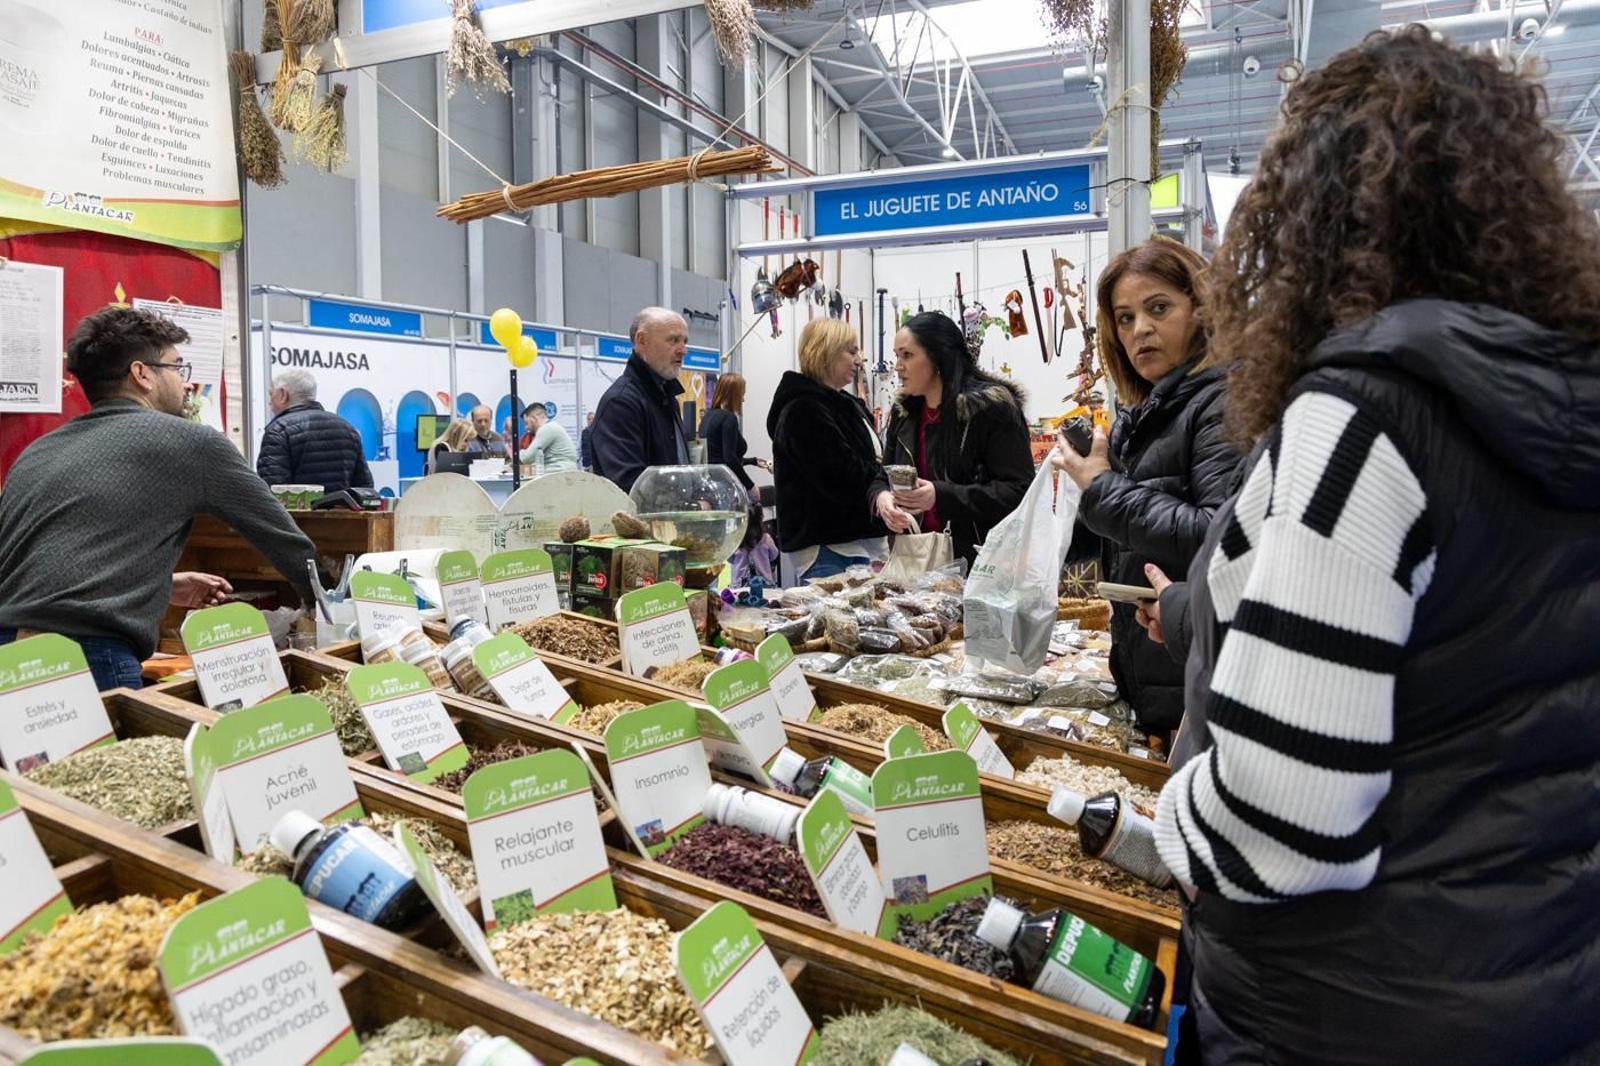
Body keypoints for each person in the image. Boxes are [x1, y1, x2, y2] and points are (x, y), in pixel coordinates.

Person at [1152, 29, 1600, 1065]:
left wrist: (1165, 813)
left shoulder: (1368, 415)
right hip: (1532, 983)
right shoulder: (1550, 408)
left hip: (1341, 1008)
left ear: (1307, 216)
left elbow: (1286, 823)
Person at [0, 307, 318, 690]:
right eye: (176, 368)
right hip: (89, 660)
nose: (185, 384)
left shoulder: (36, 452)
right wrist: (326, 605)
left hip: (9, 660)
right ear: (142, 374)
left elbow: (43, 565)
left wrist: (162, 584)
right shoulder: (192, 443)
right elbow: (285, 542)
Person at [1051, 237, 1238, 737]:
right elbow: (1138, 530)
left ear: (1203, 309)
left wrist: (1103, 490)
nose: (1141, 330)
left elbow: (1217, 534)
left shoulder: (1223, 402)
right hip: (1160, 673)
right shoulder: (1149, 411)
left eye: (1159, 308)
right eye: (1126, 317)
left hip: (1198, 679)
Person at [866, 311, 1033, 567]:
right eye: (897, 355)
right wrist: (881, 499)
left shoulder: (991, 410)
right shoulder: (905, 414)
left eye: (907, 355)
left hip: (981, 565)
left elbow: (1018, 491)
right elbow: (881, 477)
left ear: (937, 357)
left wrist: (940, 496)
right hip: (916, 563)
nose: (898, 366)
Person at [769, 319, 888, 579]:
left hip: (857, 540)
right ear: (827, 351)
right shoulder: (804, 409)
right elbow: (839, 475)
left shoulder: (843, 404)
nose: (859, 361)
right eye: (852, 351)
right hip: (830, 546)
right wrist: (883, 478)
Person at [591, 307, 692, 492]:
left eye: (685, 341)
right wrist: (689, 507)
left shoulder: (667, 399)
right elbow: (630, 484)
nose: (683, 350)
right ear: (642, 340)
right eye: (673, 340)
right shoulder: (620, 404)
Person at [255, 368, 374, 495]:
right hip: (340, 514)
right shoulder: (348, 429)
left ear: (283, 395)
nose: (270, 403)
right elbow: (364, 488)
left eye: (271, 394)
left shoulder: (279, 430)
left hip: (297, 515)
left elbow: (273, 491)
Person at [700, 373, 768, 497]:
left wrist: (752, 461)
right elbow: (729, 459)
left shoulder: (708, 416)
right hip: (723, 487)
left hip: (709, 485)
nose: (743, 399)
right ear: (734, 394)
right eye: (742, 394)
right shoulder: (729, 418)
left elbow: (717, 456)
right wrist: (750, 486)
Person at [517, 403, 578, 473]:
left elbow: (527, 458)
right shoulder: (551, 427)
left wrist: (514, 455)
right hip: (563, 470)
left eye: (526, 423)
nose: (526, 427)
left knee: (524, 473)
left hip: (559, 472)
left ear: (534, 418)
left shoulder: (547, 428)